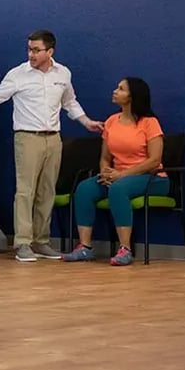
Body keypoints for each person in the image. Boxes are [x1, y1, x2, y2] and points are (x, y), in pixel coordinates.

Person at [0, 30, 103, 262]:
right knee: (26, 191)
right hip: (27, 137)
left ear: (50, 51)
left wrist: (86, 122)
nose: (31, 54)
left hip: (54, 139)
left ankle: (41, 241)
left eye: (36, 50)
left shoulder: (63, 73)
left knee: (47, 191)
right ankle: (23, 243)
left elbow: (69, 102)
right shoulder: (18, 74)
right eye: (29, 49)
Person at [63, 78, 167, 266]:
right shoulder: (111, 121)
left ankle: (125, 249)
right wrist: (104, 172)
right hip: (118, 176)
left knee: (118, 189)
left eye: (121, 89)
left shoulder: (149, 123)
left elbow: (154, 160)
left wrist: (122, 175)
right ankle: (85, 247)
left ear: (132, 96)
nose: (115, 91)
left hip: (152, 178)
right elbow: (105, 157)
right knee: (85, 189)